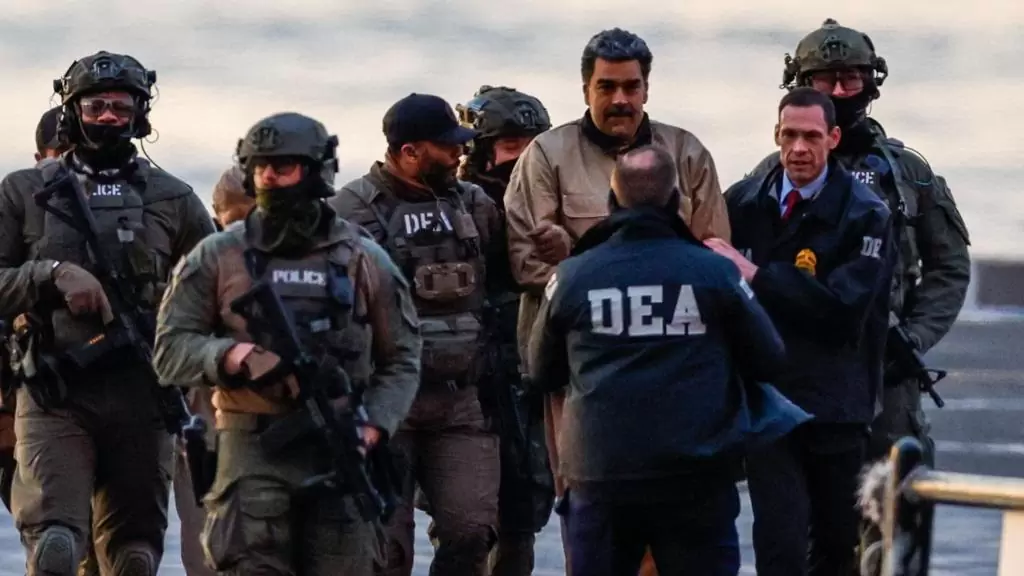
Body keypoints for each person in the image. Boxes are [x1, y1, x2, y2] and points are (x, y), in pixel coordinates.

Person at [153, 111, 423, 574]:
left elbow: (402, 357)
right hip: (250, 447)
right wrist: (232, 355)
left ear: (316, 171)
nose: (270, 179)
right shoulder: (219, 255)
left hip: (340, 445)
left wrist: (374, 425)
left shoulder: (362, 258)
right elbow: (169, 350)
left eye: (283, 167)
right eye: (260, 168)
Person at [503, 27, 731, 572]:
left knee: (672, 528)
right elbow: (528, 264)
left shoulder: (686, 153)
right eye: (606, 87)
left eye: (631, 86)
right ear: (586, 89)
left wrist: (581, 255)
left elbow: (716, 257)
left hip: (675, 372)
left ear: (647, 88)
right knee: (589, 523)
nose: (620, 100)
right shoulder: (546, 156)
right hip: (582, 377)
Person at [528, 144, 807, 576]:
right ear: (676, 201)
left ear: (612, 202)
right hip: (696, 477)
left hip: (601, 474)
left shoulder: (571, 277)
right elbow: (770, 358)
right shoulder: (715, 273)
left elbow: (540, 371)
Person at [0, 51, 215, 576]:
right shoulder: (24, 192)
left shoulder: (174, 198)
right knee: (54, 546)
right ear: (72, 111)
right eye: (95, 107)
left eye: (121, 106)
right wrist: (50, 274)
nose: (108, 118)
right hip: (55, 391)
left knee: (134, 555)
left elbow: (217, 290)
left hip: (144, 394)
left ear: (141, 113)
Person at [751, 19, 970, 468]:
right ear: (800, 86)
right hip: (798, 367)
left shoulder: (908, 174)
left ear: (871, 83)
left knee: (895, 487)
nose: (838, 91)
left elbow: (948, 268)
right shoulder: (770, 177)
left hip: (886, 370)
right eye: (824, 80)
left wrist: (915, 337)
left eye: (850, 79)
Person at [710, 87, 895, 576]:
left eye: (811, 137)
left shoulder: (866, 213)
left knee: (835, 546)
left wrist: (760, 277)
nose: (798, 148)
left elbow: (843, 310)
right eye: (789, 135)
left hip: (836, 403)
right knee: (781, 546)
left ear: (832, 138)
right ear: (776, 134)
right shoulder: (745, 201)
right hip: (770, 403)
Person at [330, 92, 504, 576]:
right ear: (409, 152)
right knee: (384, 550)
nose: (459, 154)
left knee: (471, 532)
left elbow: (504, 284)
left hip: (462, 401)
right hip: (385, 406)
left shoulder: (475, 205)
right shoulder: (349, 212)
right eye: (447, 147)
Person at [455, 85, 556, 576]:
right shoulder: (454, 209)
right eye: (512, 145)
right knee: (464, 523)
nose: (523, 158)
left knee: (521, 517)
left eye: (533, 145)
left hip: (528, 375)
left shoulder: (550, 205)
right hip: (468, 380)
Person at [168, 165, 253, 576]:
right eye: (235, 222)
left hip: (281, 432)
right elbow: (170, 353)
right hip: (210, 430)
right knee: (208, 552)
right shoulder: (200, 270)